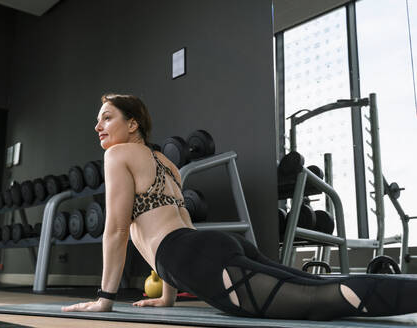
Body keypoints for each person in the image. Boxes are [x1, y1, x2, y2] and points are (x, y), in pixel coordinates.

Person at [62, 93, 417, 320]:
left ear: (133, 123)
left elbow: (118, 229)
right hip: (205, 246)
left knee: (318, 299)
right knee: (313, 285)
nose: (98, 127)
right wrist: (167, 295)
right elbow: (176, 219)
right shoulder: (164, 162)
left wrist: (105, 298)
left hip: (189, 255)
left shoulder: (118, 155)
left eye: (107, 117)